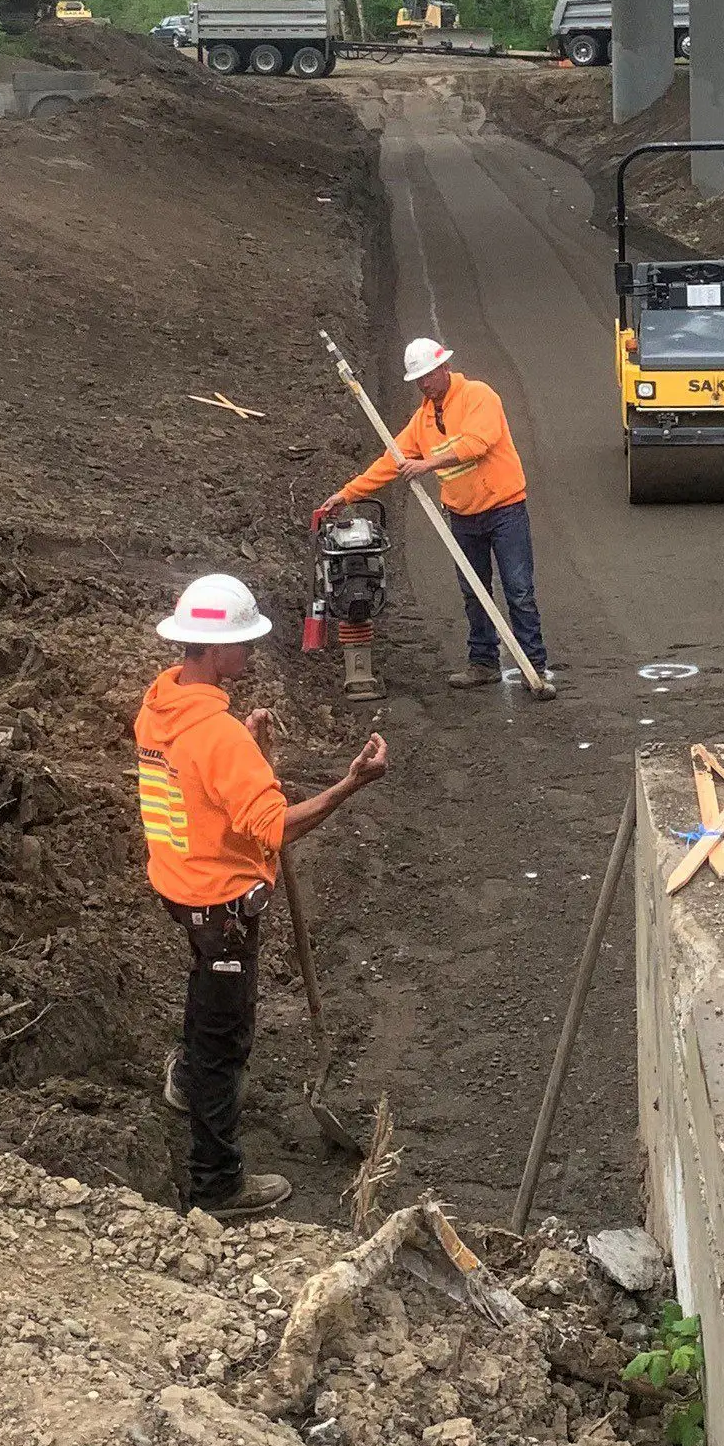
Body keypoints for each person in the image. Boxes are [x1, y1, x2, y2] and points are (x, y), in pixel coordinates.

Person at [134, 572, 386, 1218]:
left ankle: (186, 1082)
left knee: (204, 991)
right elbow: (276, 828)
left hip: (177, 882)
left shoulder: (163, 702)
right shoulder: (216, 737)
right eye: (242, 643)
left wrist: (243, 746)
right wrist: (350, 784)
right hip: (221, 906)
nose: (249, 653)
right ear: (214, 651)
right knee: (226, 1037)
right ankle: (217, 1185)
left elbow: (197, 780)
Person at [315, 335, 554, 696]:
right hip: (463, 516)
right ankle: (483, 662)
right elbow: (390, 462)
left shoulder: (479, 396)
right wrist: (347, 493)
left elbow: (477, 443)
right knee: (473, 592)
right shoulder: (423, 419)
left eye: (428, 375)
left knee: (518, 590)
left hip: (505, 509)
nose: (424, 384)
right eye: (419, 379)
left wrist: (427, 464)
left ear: (445, 368)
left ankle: (534, 664)